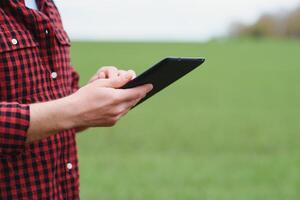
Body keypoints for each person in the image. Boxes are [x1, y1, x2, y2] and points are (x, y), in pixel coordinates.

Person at [0, 0, 153, 199]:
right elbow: (68, 111)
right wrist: (75, 109)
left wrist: (93, 93)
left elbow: (58, 102)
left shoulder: (47, 6)